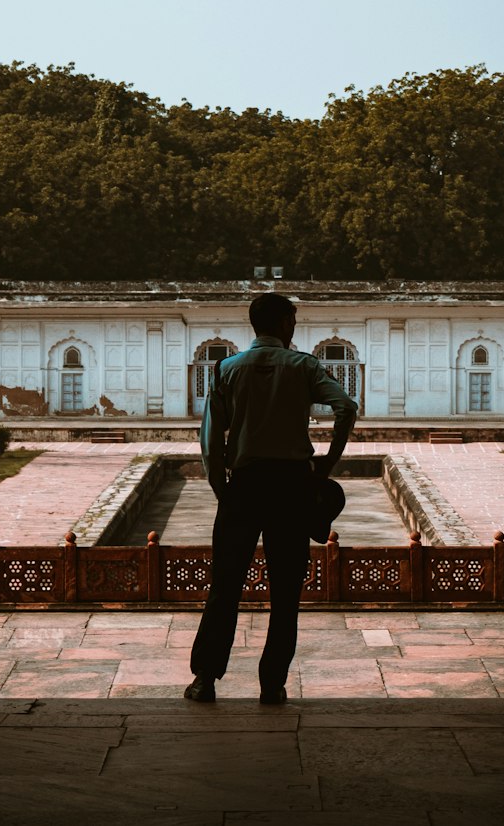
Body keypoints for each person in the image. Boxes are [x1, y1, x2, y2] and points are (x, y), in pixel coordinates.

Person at [185, 291, 358, 704]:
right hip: (291, 487)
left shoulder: (227, 368)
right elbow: (345, 407)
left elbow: (211, 436)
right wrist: (327, 463)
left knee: (225, 586)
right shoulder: (304, 366)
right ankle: (272, 684)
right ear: (283, 324)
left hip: (244, 484)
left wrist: (219, 486)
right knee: (285, 593)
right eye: (292, 320)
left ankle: (205, 679)